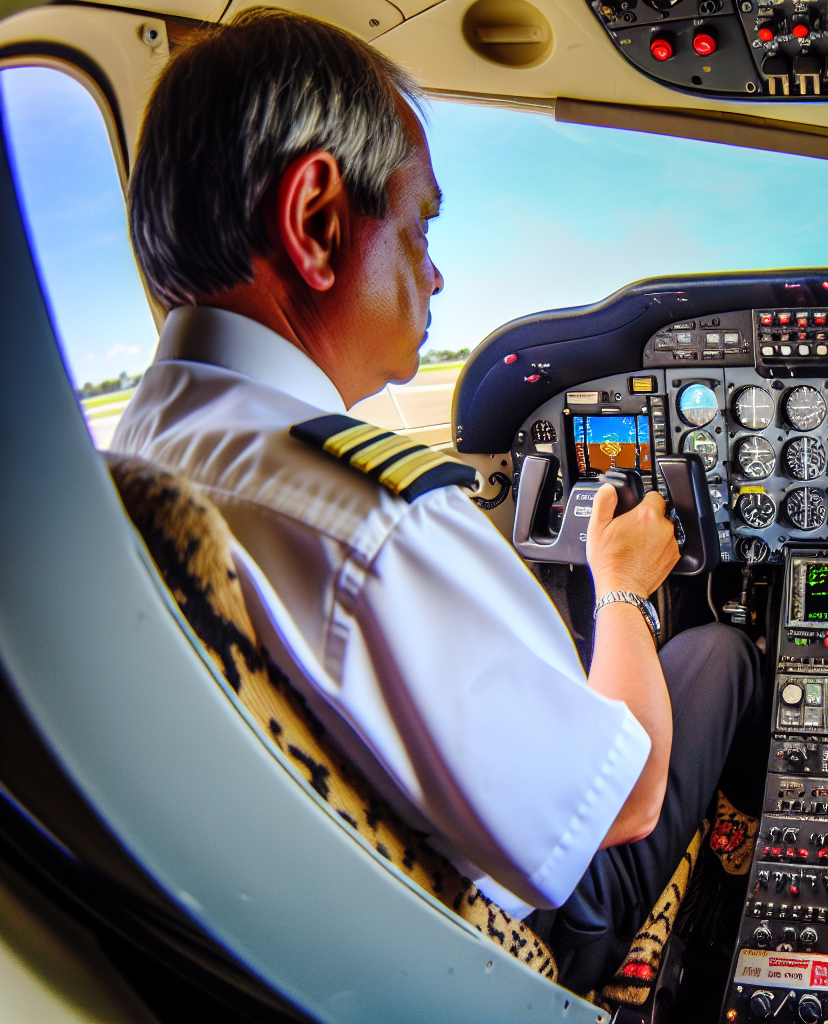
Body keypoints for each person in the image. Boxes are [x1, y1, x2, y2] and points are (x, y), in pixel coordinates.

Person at [110, 9, 762, 993]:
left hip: (310, 923)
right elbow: (623, 801)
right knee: (721, 651)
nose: (436, 270)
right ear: (318, 220)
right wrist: (621, 587)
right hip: (505, 931)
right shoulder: (368, 519)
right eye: (418, 225)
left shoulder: (141, 447)